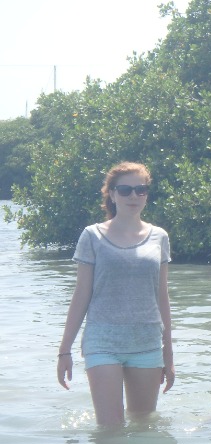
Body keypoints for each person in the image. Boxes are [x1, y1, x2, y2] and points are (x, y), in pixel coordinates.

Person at [56, 162, 175, 426]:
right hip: (103, 341)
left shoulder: (159, 237)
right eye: (125, 190)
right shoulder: (92, 235)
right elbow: (81, 294)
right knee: (110, 427)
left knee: (144, 426)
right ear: (111, 194)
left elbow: (162, 297)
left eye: (140, 190)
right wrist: (64, 351)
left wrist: (168, 353)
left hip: (147, 341)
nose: (133, 196)